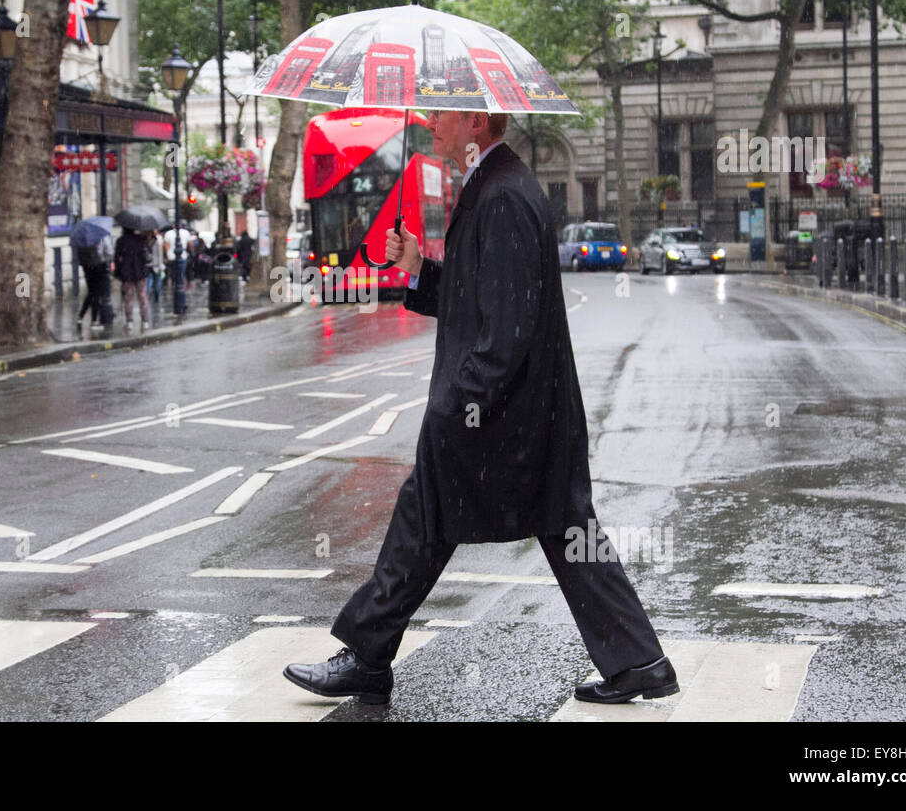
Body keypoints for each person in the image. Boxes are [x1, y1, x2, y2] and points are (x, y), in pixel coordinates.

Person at [284, 110, 675, 706]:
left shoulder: (501, 197)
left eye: (440, 115)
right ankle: (640, 662)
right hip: (525, 413)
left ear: (475, 120)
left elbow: (507, 328)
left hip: (500, 415)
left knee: (429, 520)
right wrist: (417, 269)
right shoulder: (495, 187)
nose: (431, 126)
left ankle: (366, 657)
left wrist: (458, 405)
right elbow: (478, 297)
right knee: (558, 530)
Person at [113, 226, 151, 335]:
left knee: (128, 298)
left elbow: (117, 259)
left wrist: (118, 272)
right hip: (140, 272)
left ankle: (129, 321)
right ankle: (145, 321)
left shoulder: (121, 241)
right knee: (142, 297)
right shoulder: (140, 239)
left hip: (127, 273)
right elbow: (147, 253)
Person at [76, 233, 113, 330]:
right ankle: (94, 321)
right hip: (98, 267)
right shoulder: (100, 238)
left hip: (87, 268)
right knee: (96, 294)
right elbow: (107, 253)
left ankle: (81, 316)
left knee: (91, 293)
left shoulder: (82, 241)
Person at [147, 229, 164, 309]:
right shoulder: (157, 241)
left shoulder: (145, 241)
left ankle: (148, 295)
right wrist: (160, 265)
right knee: (157, 282)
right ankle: (156, 298)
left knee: (149, 282)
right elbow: (160, 254)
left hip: (148, 265)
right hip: (156, 265)